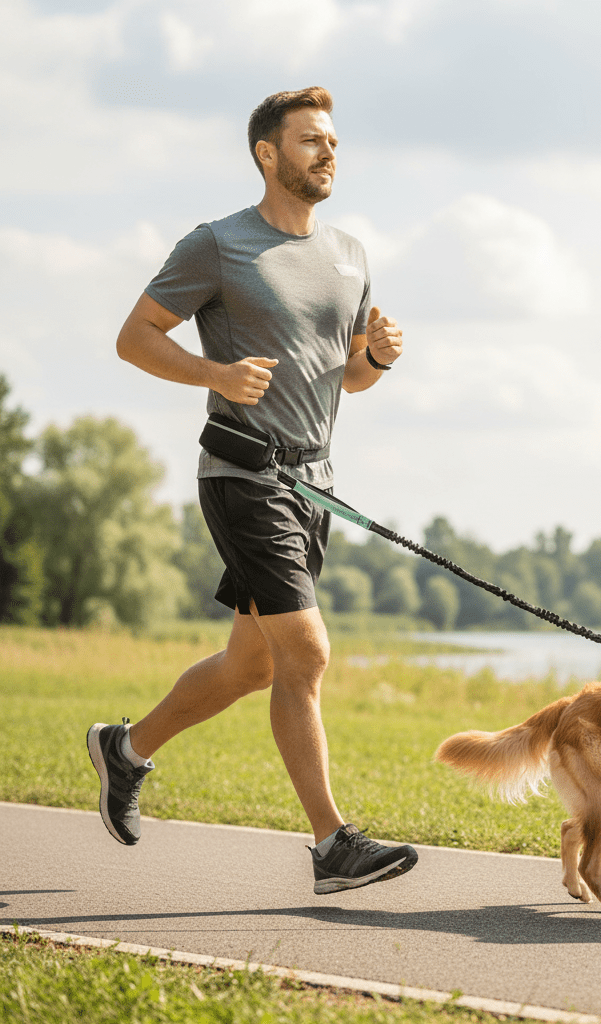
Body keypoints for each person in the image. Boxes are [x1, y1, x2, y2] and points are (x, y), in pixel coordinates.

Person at [87, 86, 418, 895]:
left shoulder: (348, 255)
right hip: (244, 475)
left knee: (251, 667)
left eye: (333, 140)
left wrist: (374, 358)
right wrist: (216, 375)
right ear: (268, 154)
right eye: (310, 140)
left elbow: (345, 383)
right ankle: (333, 845)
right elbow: (134, 338)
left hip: (315, 484)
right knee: (307, 653)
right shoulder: (219, 245)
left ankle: (123, 751)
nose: (328, 152)